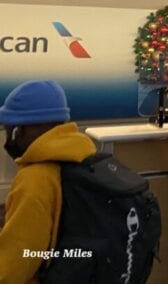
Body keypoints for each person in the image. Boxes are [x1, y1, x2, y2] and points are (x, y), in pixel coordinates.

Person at [0, 79, 97, 283]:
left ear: (23, 129)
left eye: (11, 131)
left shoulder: (35, 178)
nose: (9, 139)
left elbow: (15, 264)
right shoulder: (86, 159)